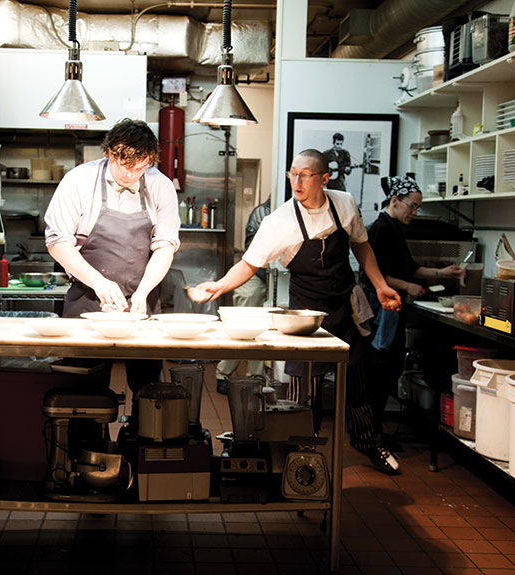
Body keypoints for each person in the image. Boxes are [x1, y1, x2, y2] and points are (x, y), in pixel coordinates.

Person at [195, 149, 403, 475]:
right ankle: (300, 454)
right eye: (293, 173)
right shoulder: (280, 221)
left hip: (345, 308)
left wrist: (378, 284)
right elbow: (250, 263)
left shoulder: (344, 203)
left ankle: (368, 441)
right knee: (305, 393)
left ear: (324, 179)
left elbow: (361, 245)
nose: (297, 180)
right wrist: (220, 285)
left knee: (360, 382)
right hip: (304, 318)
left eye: (305, 174)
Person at [44, 118, 180, 396]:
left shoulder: (160, 185)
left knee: (147, 390)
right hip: (87, 302)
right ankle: (87, 439)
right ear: (109, 153)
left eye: (140, 168)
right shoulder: (79, 180)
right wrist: (99, 282)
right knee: (83, 393)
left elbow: (165, 246)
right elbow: (58, 242)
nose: (131, 175)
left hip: (143, 305)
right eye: (125, 166)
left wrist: (143, 293)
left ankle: (142, 439)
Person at [362, 175, 464, 443]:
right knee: (381, 367)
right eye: (413, 206)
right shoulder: (380, 229)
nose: (415, 212)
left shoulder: (395, 228)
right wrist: (407, 286)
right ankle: (371, 432)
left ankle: (375, 430)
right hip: (380, 307)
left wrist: (443, 272)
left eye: (418, 207)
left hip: (392, 305)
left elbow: (410, 267)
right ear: (395, 201)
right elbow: (376, 274)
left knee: (391, 366)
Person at [215, 197, 271, 394]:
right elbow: (255, 253)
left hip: (270, 276)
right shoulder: (264, 212)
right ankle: (223, 374)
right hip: (255, 274)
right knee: (243, 328)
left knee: (261, 332)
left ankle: (256, 378)